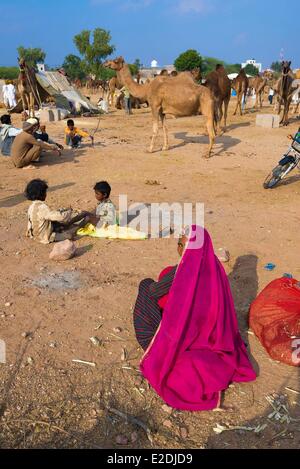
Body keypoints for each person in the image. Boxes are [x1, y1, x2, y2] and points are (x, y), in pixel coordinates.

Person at [133, 226, 256, 411]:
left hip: (183, 337)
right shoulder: (215, 268)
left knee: (146, 286)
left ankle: (153, 344)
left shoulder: (184, 271)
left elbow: (154, 292)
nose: (179, 249)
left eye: (182, 244)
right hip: (210, 336)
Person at [25, 179, 89, 244]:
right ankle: (83, 223)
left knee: (64, 223)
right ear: (41, 194)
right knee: (69, 235)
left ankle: (83, 216)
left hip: (36, 234)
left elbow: (31, 222)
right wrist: (69, 211)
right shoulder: (42, 207)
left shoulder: (32, 206)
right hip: (45, 237)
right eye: (45, 192)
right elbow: (61, 217)